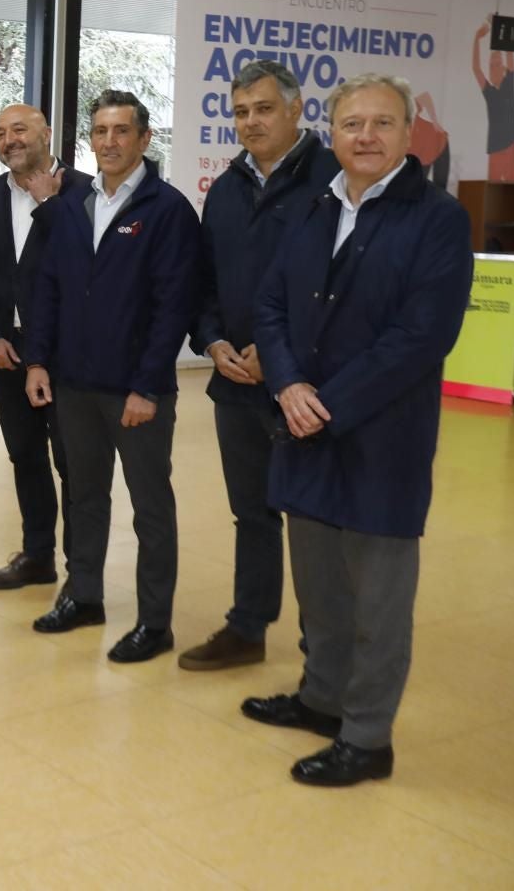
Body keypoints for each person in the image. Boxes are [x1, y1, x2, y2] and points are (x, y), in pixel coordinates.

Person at [244, 74, 472, 787]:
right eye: (351, 124)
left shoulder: (436, 218)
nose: (365, 136)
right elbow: (271, 305)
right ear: (331, 133)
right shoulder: (315, 209)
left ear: (409, 134)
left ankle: (368, 738)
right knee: (320, 587)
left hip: (381, 441)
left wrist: (325, 404)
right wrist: (285, 383)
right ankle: (321, 699)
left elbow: (420, 336)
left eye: (381, 123)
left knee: (377, 598)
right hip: (305, 429)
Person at [22, 90, 199, 663]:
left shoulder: (167, 209)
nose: (110, 141)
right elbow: (47, 289)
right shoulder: (75, 206)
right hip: (74, 384)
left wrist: (147, 386)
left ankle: (155, 622)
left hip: (135, 391)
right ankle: (85, 595)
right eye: (100, 131)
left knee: (150, 506)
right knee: (86, 497)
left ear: (145, 139)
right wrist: (39, 360)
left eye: (122, 131)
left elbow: (174, 306)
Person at [181, 61, 339, 671]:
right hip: (236, 385)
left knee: (313, 522)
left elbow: (338, 291)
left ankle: (320, 652)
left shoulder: (332, 184)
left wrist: (280, 357)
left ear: (298, 109)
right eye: (241, 111)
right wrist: (213, 342)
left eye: (264, 109)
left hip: (305, 386)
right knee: (251, 513)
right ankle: (247, 629)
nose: (251, 122)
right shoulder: (226, 188)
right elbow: (207, 283)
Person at [0, 104, 91, 591]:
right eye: (0, 133)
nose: (9, 140)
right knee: (25, 456)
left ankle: (82, 571)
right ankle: (37, 555)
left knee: (73, 463)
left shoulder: (84, 191)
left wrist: (49, 205)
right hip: (8, 352)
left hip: (67, 355)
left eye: (19, 130)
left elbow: (87, 269)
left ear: (47, 134)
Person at [472, 16, 514, 181]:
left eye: (498, 64)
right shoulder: (489, 92)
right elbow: (476, 68)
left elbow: (510, 53)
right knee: (494, 193)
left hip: (512, 149)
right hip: (495, 151)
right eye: (491, 65)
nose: (494, 67)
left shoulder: (509, 86)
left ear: (504, 68)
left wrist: (499, 28)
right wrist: (477, 38)